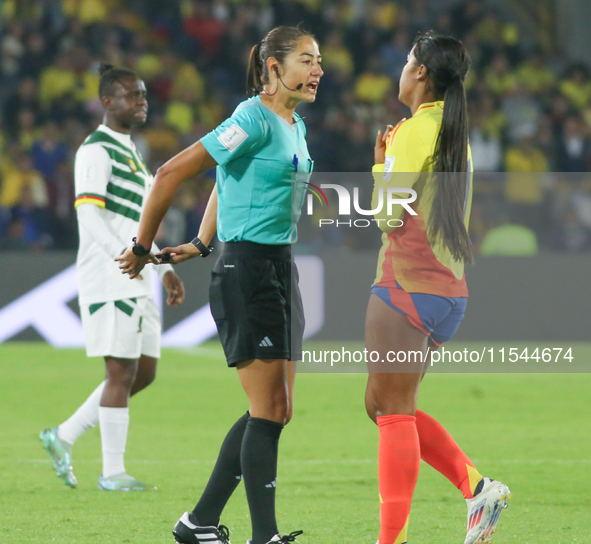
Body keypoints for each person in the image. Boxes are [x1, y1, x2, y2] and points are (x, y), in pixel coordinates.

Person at [116, 26, 323, 544]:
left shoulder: (293, 123)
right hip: (248, 270)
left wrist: (202, 242)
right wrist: (144, 249)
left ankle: (199, 522)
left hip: (279, 266)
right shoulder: (251, 116)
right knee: (269, 410)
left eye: (318, 60)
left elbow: (224, 180)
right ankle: (264, 536)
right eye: (305, 60)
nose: (318, 69)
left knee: (276, 409)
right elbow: (168, 174)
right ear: (273, 68)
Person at [368, 32, 510, 544]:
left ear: (421, 73)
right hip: (448, 290)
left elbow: (387, 216)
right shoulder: (454, 133)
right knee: (383, 404)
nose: (403, 69)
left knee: (392, 414)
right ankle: (477, 488)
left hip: (406, 283)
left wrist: (380, 163)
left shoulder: (412, 131)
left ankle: (393, 539)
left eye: (408, 61)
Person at [40, 64, 185, 491]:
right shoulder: (95, 150)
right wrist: (123, 258)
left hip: (137, 272)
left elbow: (140, 221)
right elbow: (88, 213)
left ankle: (62, 435)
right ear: (107, 102)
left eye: (142, 94)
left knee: (144, 373)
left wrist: (166, 267)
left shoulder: (131, 153)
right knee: (121, 371)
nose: (141, 101)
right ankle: (113, 472)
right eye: (131, 95)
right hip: (111, 274)